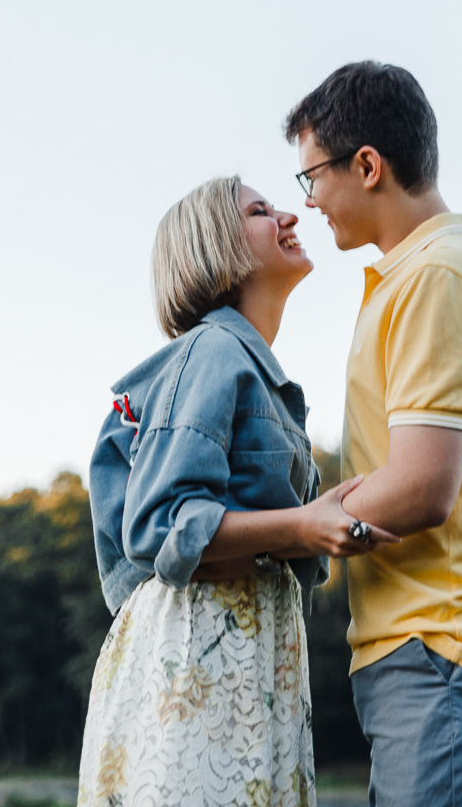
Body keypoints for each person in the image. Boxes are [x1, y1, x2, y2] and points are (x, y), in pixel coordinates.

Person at [78, 175, 396, 807]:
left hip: (247, 650)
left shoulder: (242, 362)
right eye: (260, 209)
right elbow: (161, 524)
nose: (288, 214)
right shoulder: (214, 351)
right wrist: (305, 526)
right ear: (216, 245)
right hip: (205, 650)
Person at [284, 62, 462, 807]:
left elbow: (419, 486)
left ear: (367, 165)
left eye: (311, 177)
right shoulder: (419, 276)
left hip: (444, 651)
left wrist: (288, 532)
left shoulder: (438, 278)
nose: (307, 202)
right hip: (432, 657)